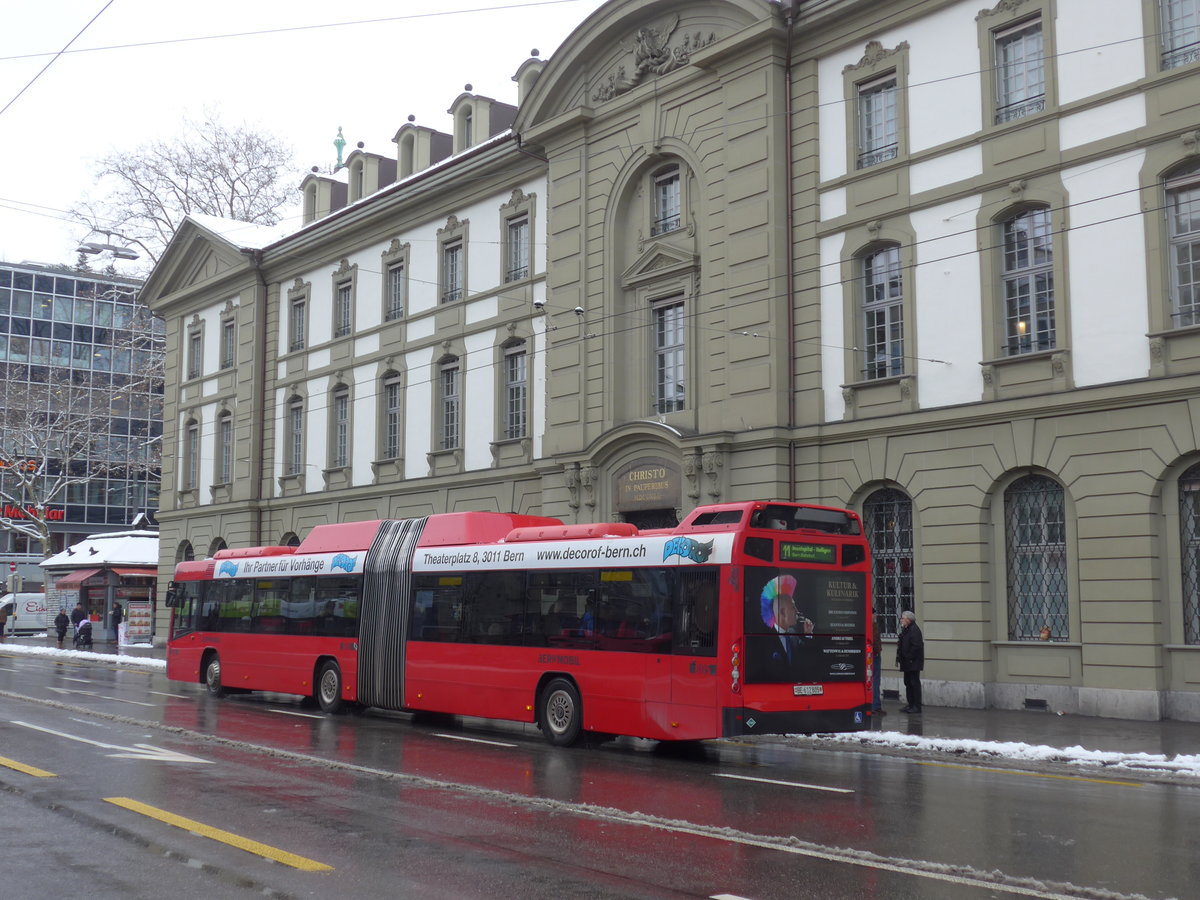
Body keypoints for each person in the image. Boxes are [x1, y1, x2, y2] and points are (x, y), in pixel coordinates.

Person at [896, 610, 924, 713]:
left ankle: (916, 706)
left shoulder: (914, 630)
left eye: (903, 618)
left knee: (914, 683)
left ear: (908, 619)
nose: (901, 620)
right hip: (907, 662)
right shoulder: (907, 629)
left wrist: (908, 657)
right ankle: (910, 704)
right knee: (907, 682)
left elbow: (916, 646)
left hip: (913, 662)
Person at [871, 613, 885, 715]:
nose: (875, 616)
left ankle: (874, 705)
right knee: (875, 681)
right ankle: (875, 705)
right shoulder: (872, 626)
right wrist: (877, 651)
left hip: (872, 655)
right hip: (874, 656)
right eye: (874, 614)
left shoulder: (867, 624)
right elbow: (875, 640)